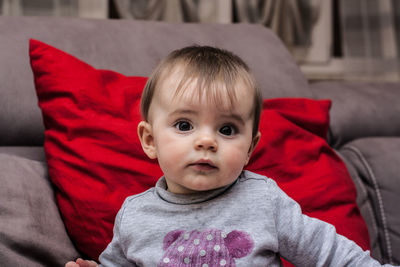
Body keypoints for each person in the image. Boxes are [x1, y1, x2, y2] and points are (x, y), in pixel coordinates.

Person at [66, 46, 395, 267]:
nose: (207, 140)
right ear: (150, 140)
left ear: (250, 149)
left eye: (226, 130)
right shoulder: (135, 215)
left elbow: (330, 253)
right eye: (184, 125)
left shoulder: (263, 200)